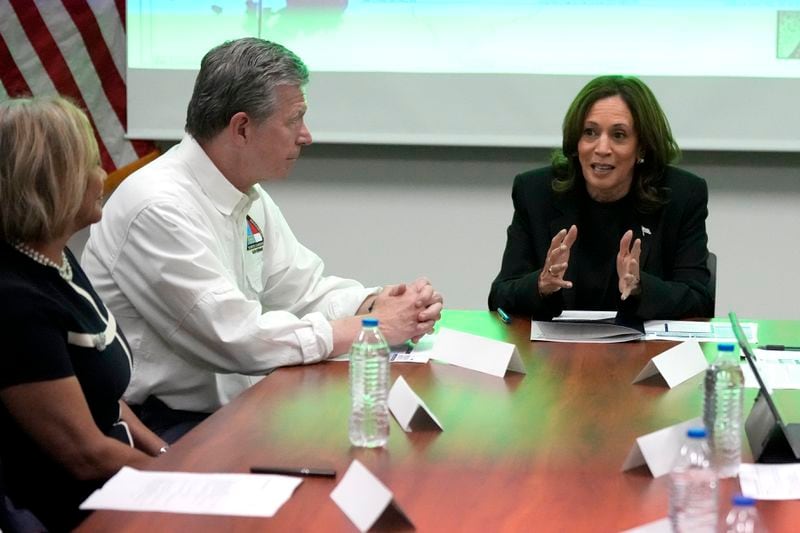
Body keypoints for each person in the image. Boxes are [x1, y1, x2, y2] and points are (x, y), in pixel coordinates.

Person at [82, 38, 443, 440]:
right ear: (241, 128)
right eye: (294, 119)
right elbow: (237, 339)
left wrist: (380, 303)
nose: (305, 135)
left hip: (231, 410)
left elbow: (303, 290)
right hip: (159, 425)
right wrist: (369, 328)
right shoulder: (156, 206)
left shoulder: (247, 195)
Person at [0, 96, 169, 531]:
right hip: (67, 511)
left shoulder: (56, 260)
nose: (103, 178)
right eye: (91, 166)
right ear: (49, 181)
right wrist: (175, 483)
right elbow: (84, 453)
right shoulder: (15, 300)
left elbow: (104, 398)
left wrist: (168, 459)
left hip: (115, 482)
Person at [489, 75, 712, 320]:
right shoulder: (536, 192)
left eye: (618, 135)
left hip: (643, 353)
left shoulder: (681, 195)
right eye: (590, 133)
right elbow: (500, 295)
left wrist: (640, 285)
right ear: (576, 141)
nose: (602, 149)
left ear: (642, 147)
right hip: (556, 355)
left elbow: (699, 300)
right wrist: (541, 284)